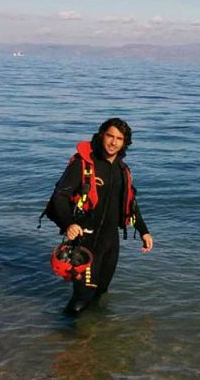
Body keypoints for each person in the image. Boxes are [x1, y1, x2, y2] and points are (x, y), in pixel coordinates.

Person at [46, 118, 153, 314]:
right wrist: (69, 224)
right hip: (85, 241)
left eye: (119, 138)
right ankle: (67, 338)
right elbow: (59, 197)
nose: (113, 142)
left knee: (101, 291)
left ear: (125, 142)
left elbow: (130, 203)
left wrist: (143, 231)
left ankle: (93, 338)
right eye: (110, 136)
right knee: (82, 297)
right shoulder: (83, 164)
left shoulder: (123, 170)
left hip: (111, 242)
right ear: (101, 135)